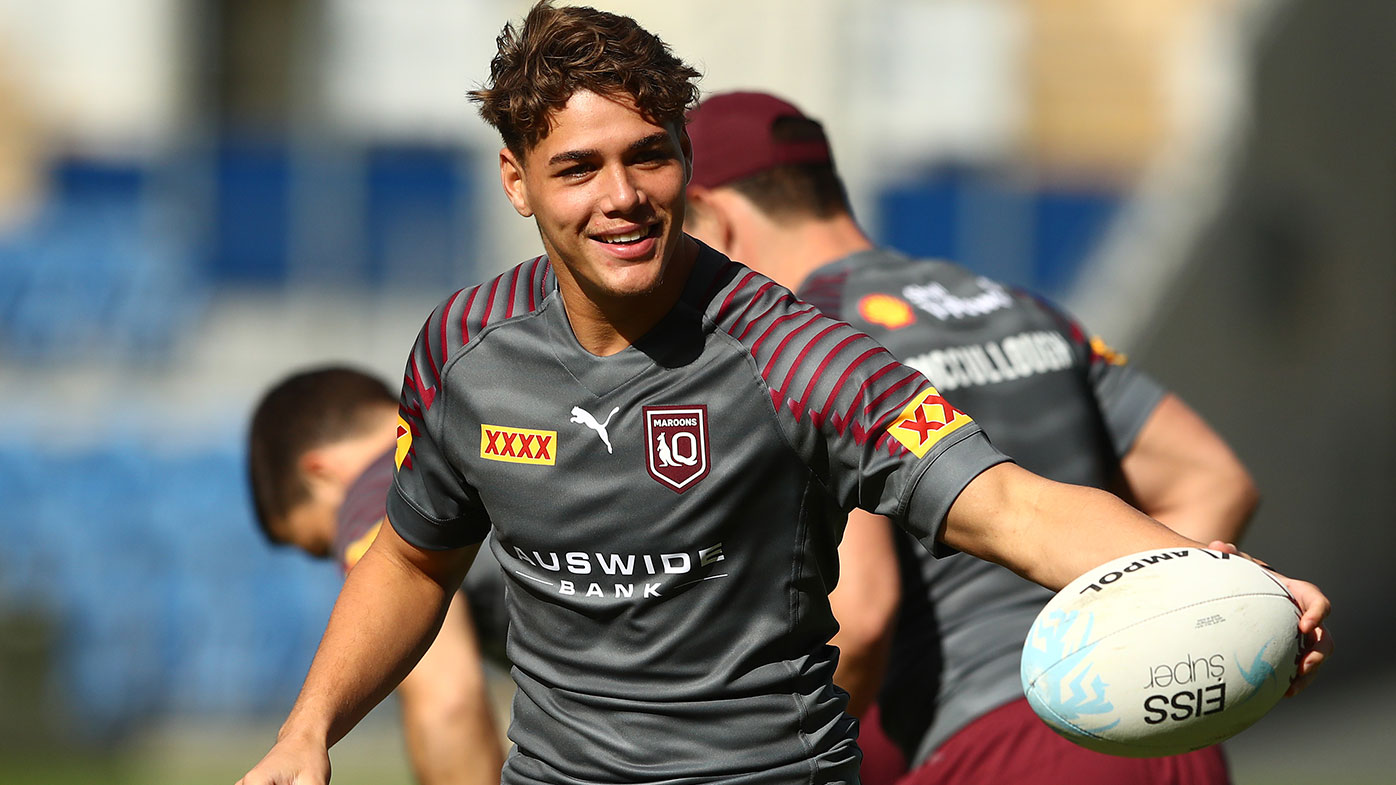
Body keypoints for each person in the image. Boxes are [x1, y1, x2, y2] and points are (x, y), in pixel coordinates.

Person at [237, 5, 1330, 785]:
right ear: (517, 180)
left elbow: (1015, 506)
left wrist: (1220, 582)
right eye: (578, 167)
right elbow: (416, 559)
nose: (621, 196)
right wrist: (308, 728)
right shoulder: (463, 350)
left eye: (648, 156)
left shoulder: (797, 353)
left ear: (684, 163)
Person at [683, 90, 1267, 784]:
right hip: (1164, 734)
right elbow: (1212, 478)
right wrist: (1125, 631)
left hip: (998, 747)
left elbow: (860, 616)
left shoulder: (809, 350)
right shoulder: (1018, 304)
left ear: (714, 221)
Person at [246, 366, 507, 785]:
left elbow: (446, 700)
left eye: (324, 543)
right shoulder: (498, 422)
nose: (349, 562)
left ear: (321, 474)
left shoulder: (376, 497)